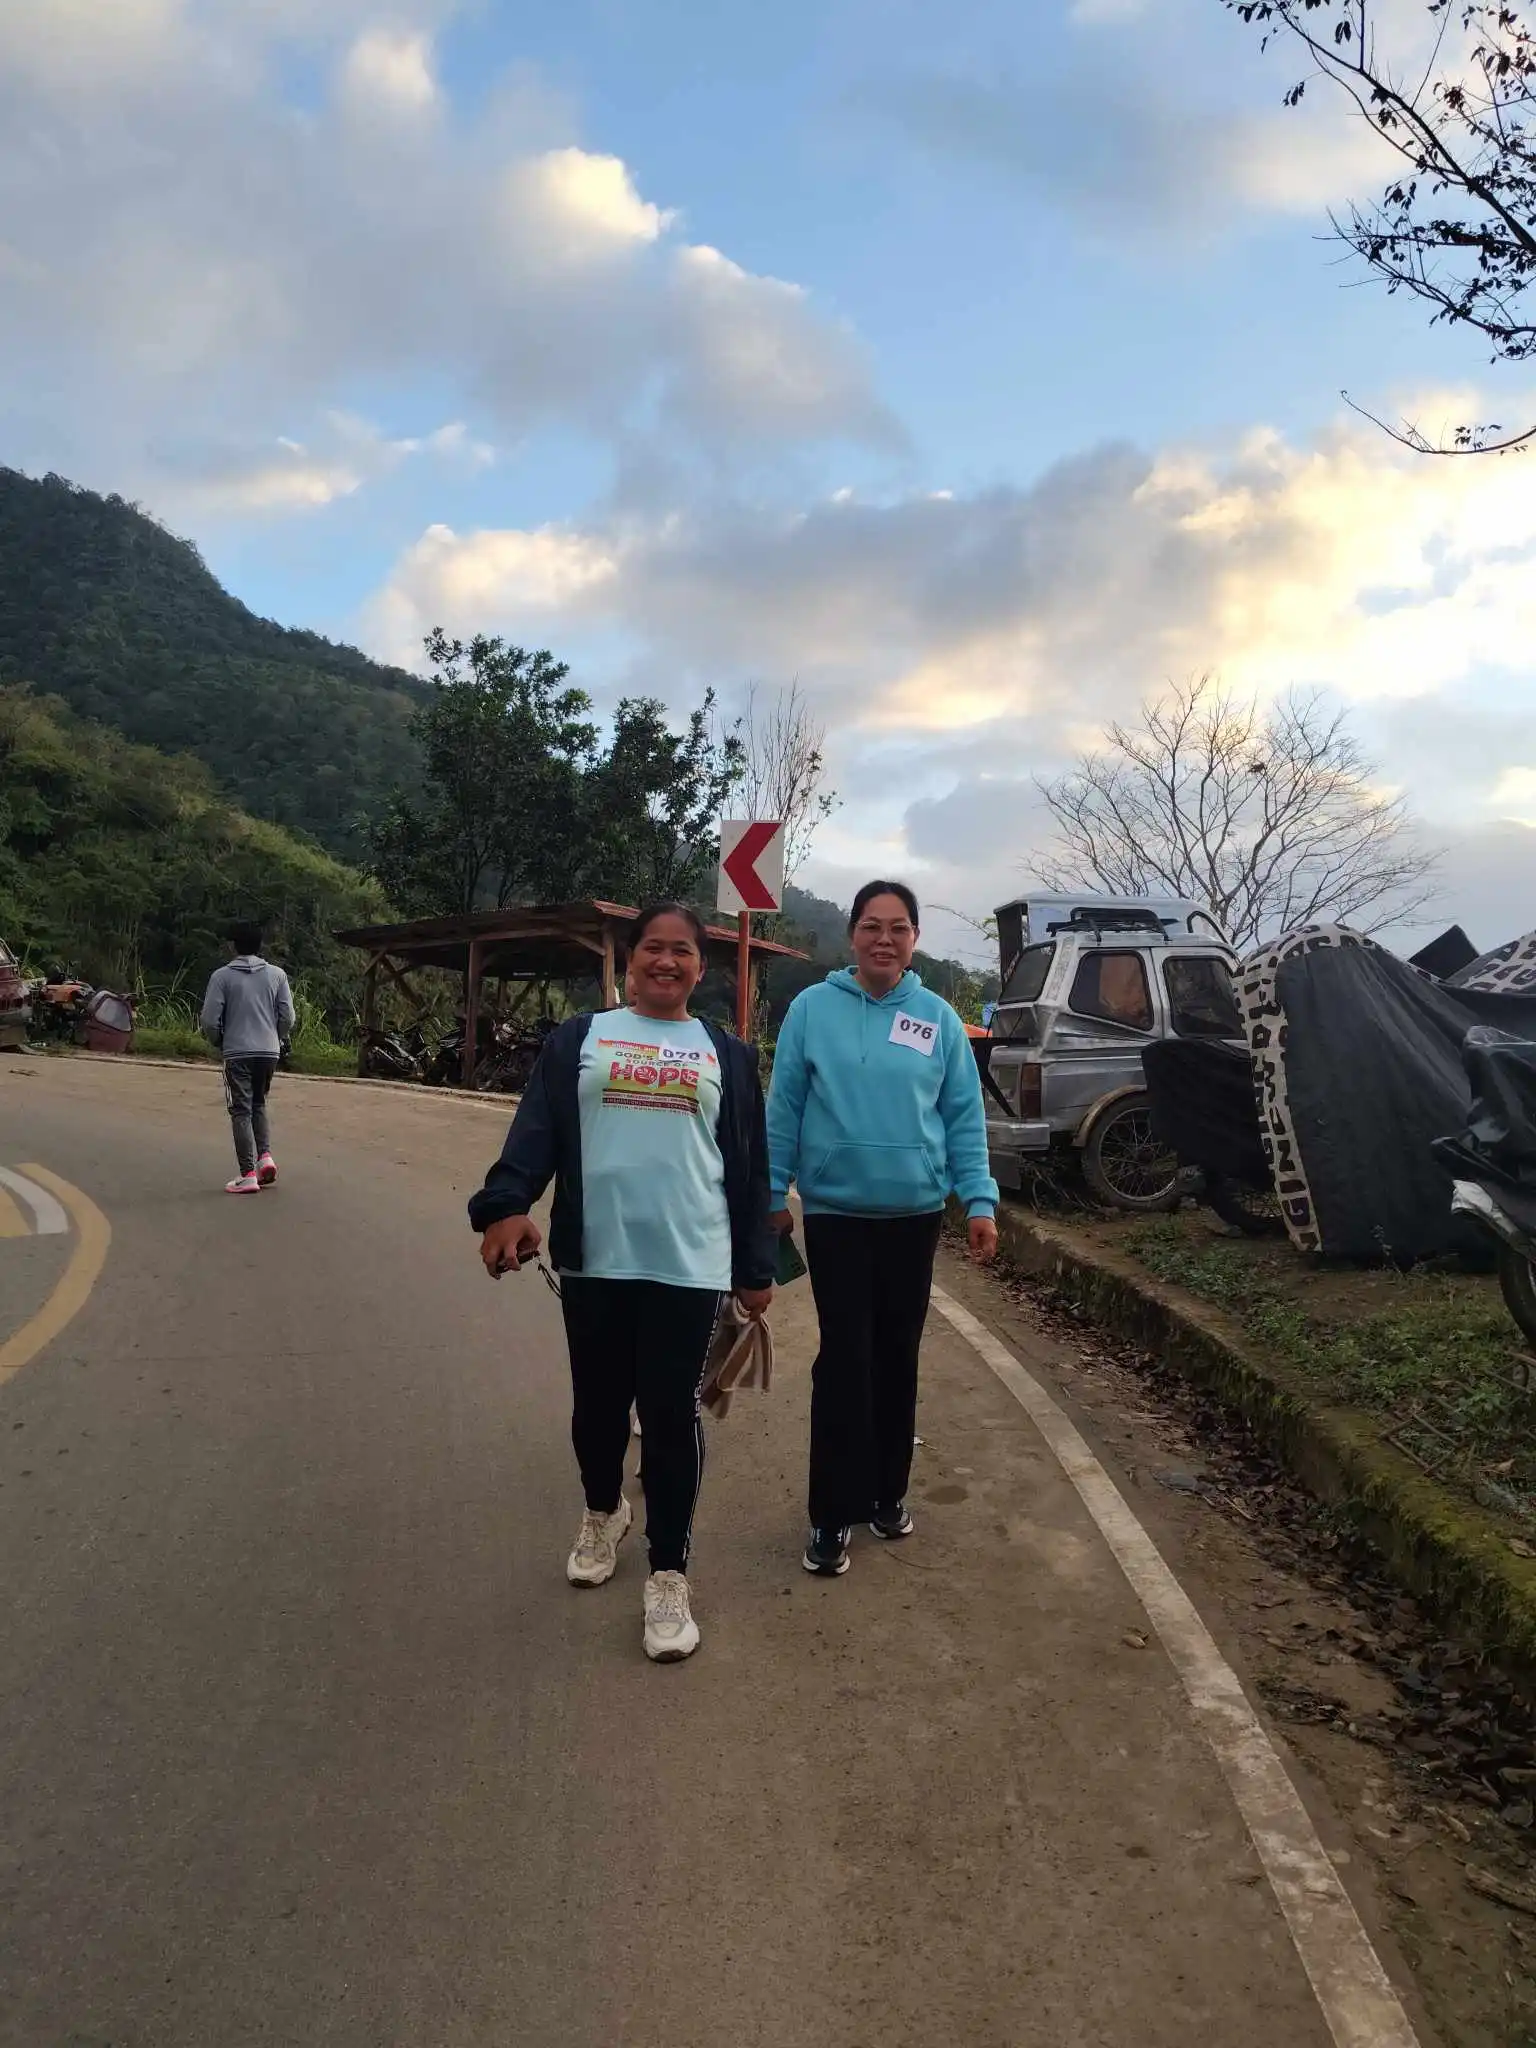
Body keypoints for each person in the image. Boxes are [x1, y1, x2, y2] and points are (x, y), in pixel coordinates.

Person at [469, 903, 774, 1664]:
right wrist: (506, 1204)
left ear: (700, 967)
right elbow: (535, 1131)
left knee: (669, 1416)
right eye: (652, 948)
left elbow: (748, 1167)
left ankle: (668, 1572)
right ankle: (604, 1511)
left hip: (690, 1264)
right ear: (630, 958)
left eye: (682, 951)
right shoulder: (581, 1039)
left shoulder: (727, 1056)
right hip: (595, 1260)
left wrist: (755, 1268)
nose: (666, 961)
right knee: (598, 1410)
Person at [766, 880, 999, 1578]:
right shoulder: (812, 1010)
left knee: (898, 1357)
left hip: (913, 1218)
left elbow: (964, 1118)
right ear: (853, 935)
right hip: (835, 1216)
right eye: (872, 925)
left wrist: (979, 1202)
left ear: (914, 939)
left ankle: (886, 1493)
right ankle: (831, 1513)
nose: (884, 939)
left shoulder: (938, 1019)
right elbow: (784, 1107)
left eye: (898, 928)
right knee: (845, 1359)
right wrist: (771, 1191)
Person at [200, 921, 295, 1195]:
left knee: (240, 1110)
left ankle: (247, 1174)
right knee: (259, 1102)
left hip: (237, 1051)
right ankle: (265, 1157)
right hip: (269, 1052)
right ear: (260, 945)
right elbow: (288, 1017)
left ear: (233, 946)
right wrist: (275, 1036)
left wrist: (219, 1040)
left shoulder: (221, 977)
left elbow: (209, 1020)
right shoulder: (277, 975)